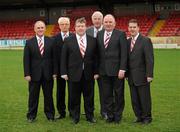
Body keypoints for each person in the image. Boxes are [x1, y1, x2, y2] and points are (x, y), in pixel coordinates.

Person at [61, 17, 98, 124]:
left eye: (82, 26)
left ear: (85, 27)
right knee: (74, 97)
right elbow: (64, 58)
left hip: (89, 74)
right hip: (73, 74)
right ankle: (75, 117)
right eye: (78, 26)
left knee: (89, 97)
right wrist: (63, 72)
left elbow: (96, 58)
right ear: (75, 28)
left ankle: (90, 116)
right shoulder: (68, 40)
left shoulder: (92, 40)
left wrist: (96, 72)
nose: (80, 28)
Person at [96, 14, 128, 124]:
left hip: (117, 71)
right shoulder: (99, 34)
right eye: (106, 22)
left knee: (119, 94)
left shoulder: (120, 34)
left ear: (114, 23)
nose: (108, 24)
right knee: (107, 95)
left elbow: (124, 53)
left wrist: (123, 69)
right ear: (103, 23)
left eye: (110, 22)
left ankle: (117, 116)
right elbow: (98, 54)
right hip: (103, 71)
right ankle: (110, 116)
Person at [23, 20, 55, 122]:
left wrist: (55, 72)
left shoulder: (51, 41)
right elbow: (26, 59)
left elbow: (54, 58)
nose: (40, 29)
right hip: (34, 75)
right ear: (34, 29)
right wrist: (27, 74)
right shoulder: (29, 42)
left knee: (48, 96)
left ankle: (50, 115)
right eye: (38, 28)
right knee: (33, 96)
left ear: (45, 29)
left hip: (48, 74)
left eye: (42, 27)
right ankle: (31, 116)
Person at [127, 19, 154, 124]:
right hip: (131, 76)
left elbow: (149, 59)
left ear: (138, 28)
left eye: (134, 27)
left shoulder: (145, 40)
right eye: (130, 27)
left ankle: (147, 117)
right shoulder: (128, 41)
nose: (132, 29)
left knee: (144, 98)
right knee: (134, 98)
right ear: (128, 28)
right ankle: (138, 116)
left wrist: (149, 74)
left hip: (143, 76)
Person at [86, 11, 107, 119]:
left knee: (104, 91)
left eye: (99, 18)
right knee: (88, 91)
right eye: (95, 18)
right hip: (89, 67)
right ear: (92, 19)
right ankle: (89, 110)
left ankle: (104, 111)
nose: (97, 20)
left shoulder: (107, 30)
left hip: (103, 66)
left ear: (102, 19)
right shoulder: (87, 31)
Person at [53, 17, 73, 119]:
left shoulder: (74, 37)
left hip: (72, 70)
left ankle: (72, 111)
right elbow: (54, 57)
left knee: (72, 91)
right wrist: (55, 72)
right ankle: (61, 112)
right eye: (62, 24)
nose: (64, 26)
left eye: (66, 24)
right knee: (60, 92)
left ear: (69, 25)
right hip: (60, 70)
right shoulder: (54, 38)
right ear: (59, 25)